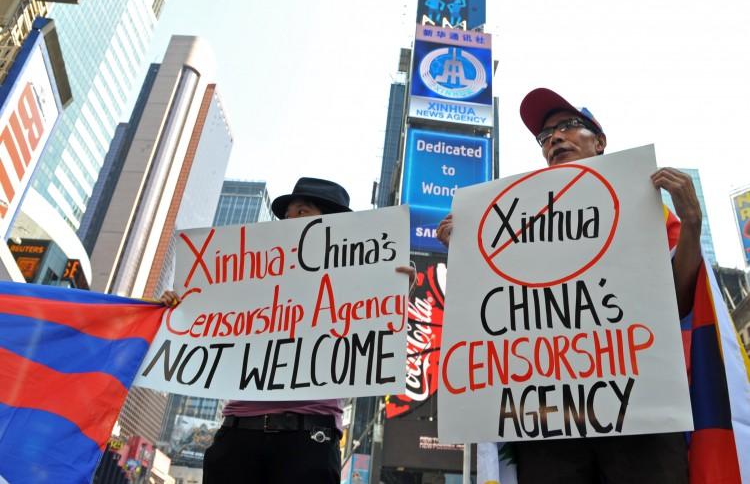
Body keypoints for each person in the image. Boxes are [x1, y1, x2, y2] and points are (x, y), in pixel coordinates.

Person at [436, 88, 703, 484]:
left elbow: (680, 303)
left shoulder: (644, 204)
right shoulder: (516, 224)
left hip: (639, 411)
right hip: (549, 420)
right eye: (545, 137)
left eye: (567, 126)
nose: (554, 139)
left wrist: (692, 226)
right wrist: (467, 251)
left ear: (600, 142)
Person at [160, 177, 414, 484]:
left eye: (302, 212)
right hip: (238, 434)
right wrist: (180, 307)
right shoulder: (247, 276)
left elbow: (376, 333)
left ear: (332, 225)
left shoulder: (356, 282)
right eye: (288, 215)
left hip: (308, 440)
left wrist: (395, 289)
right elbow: (206, 321)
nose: (289, 221)